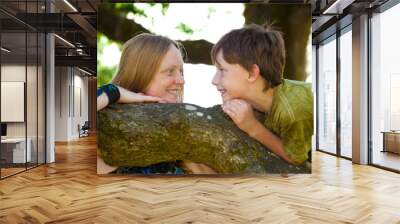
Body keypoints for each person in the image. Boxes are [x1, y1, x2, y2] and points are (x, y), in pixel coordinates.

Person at [97, 33, 216, 174]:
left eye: (181, 71)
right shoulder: (105, 127)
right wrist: (115, 91)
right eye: (170, 71)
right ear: (141, 74)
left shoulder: (182, 130)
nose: (181, 80)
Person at [211, 24, 313, 165]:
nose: (214, 81)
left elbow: (296, 157)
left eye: (222, 70)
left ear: (252, 73)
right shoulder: (263, 102)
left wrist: (252, 127)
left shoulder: (292, 111)